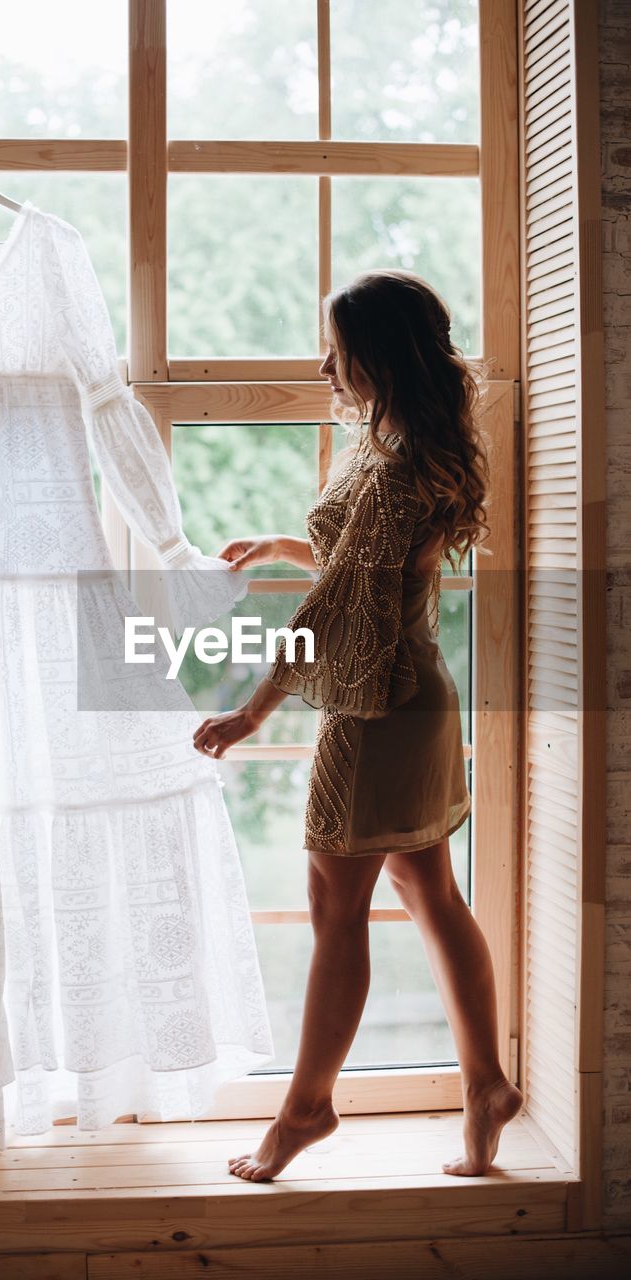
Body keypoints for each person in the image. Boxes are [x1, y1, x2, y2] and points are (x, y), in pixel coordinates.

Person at [191, 269, 523, 1182]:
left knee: (339, 911)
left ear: (376, 353)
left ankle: (306, 1109)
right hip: (419, 697)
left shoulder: (392, 465)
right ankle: (488, 1084)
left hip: (378, 710)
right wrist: (277, 542)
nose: (323, 364)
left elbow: (339, 604)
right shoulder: (409, 447)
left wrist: (253, 711)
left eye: (335, 348)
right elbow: (364, 564)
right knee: (430, 894)